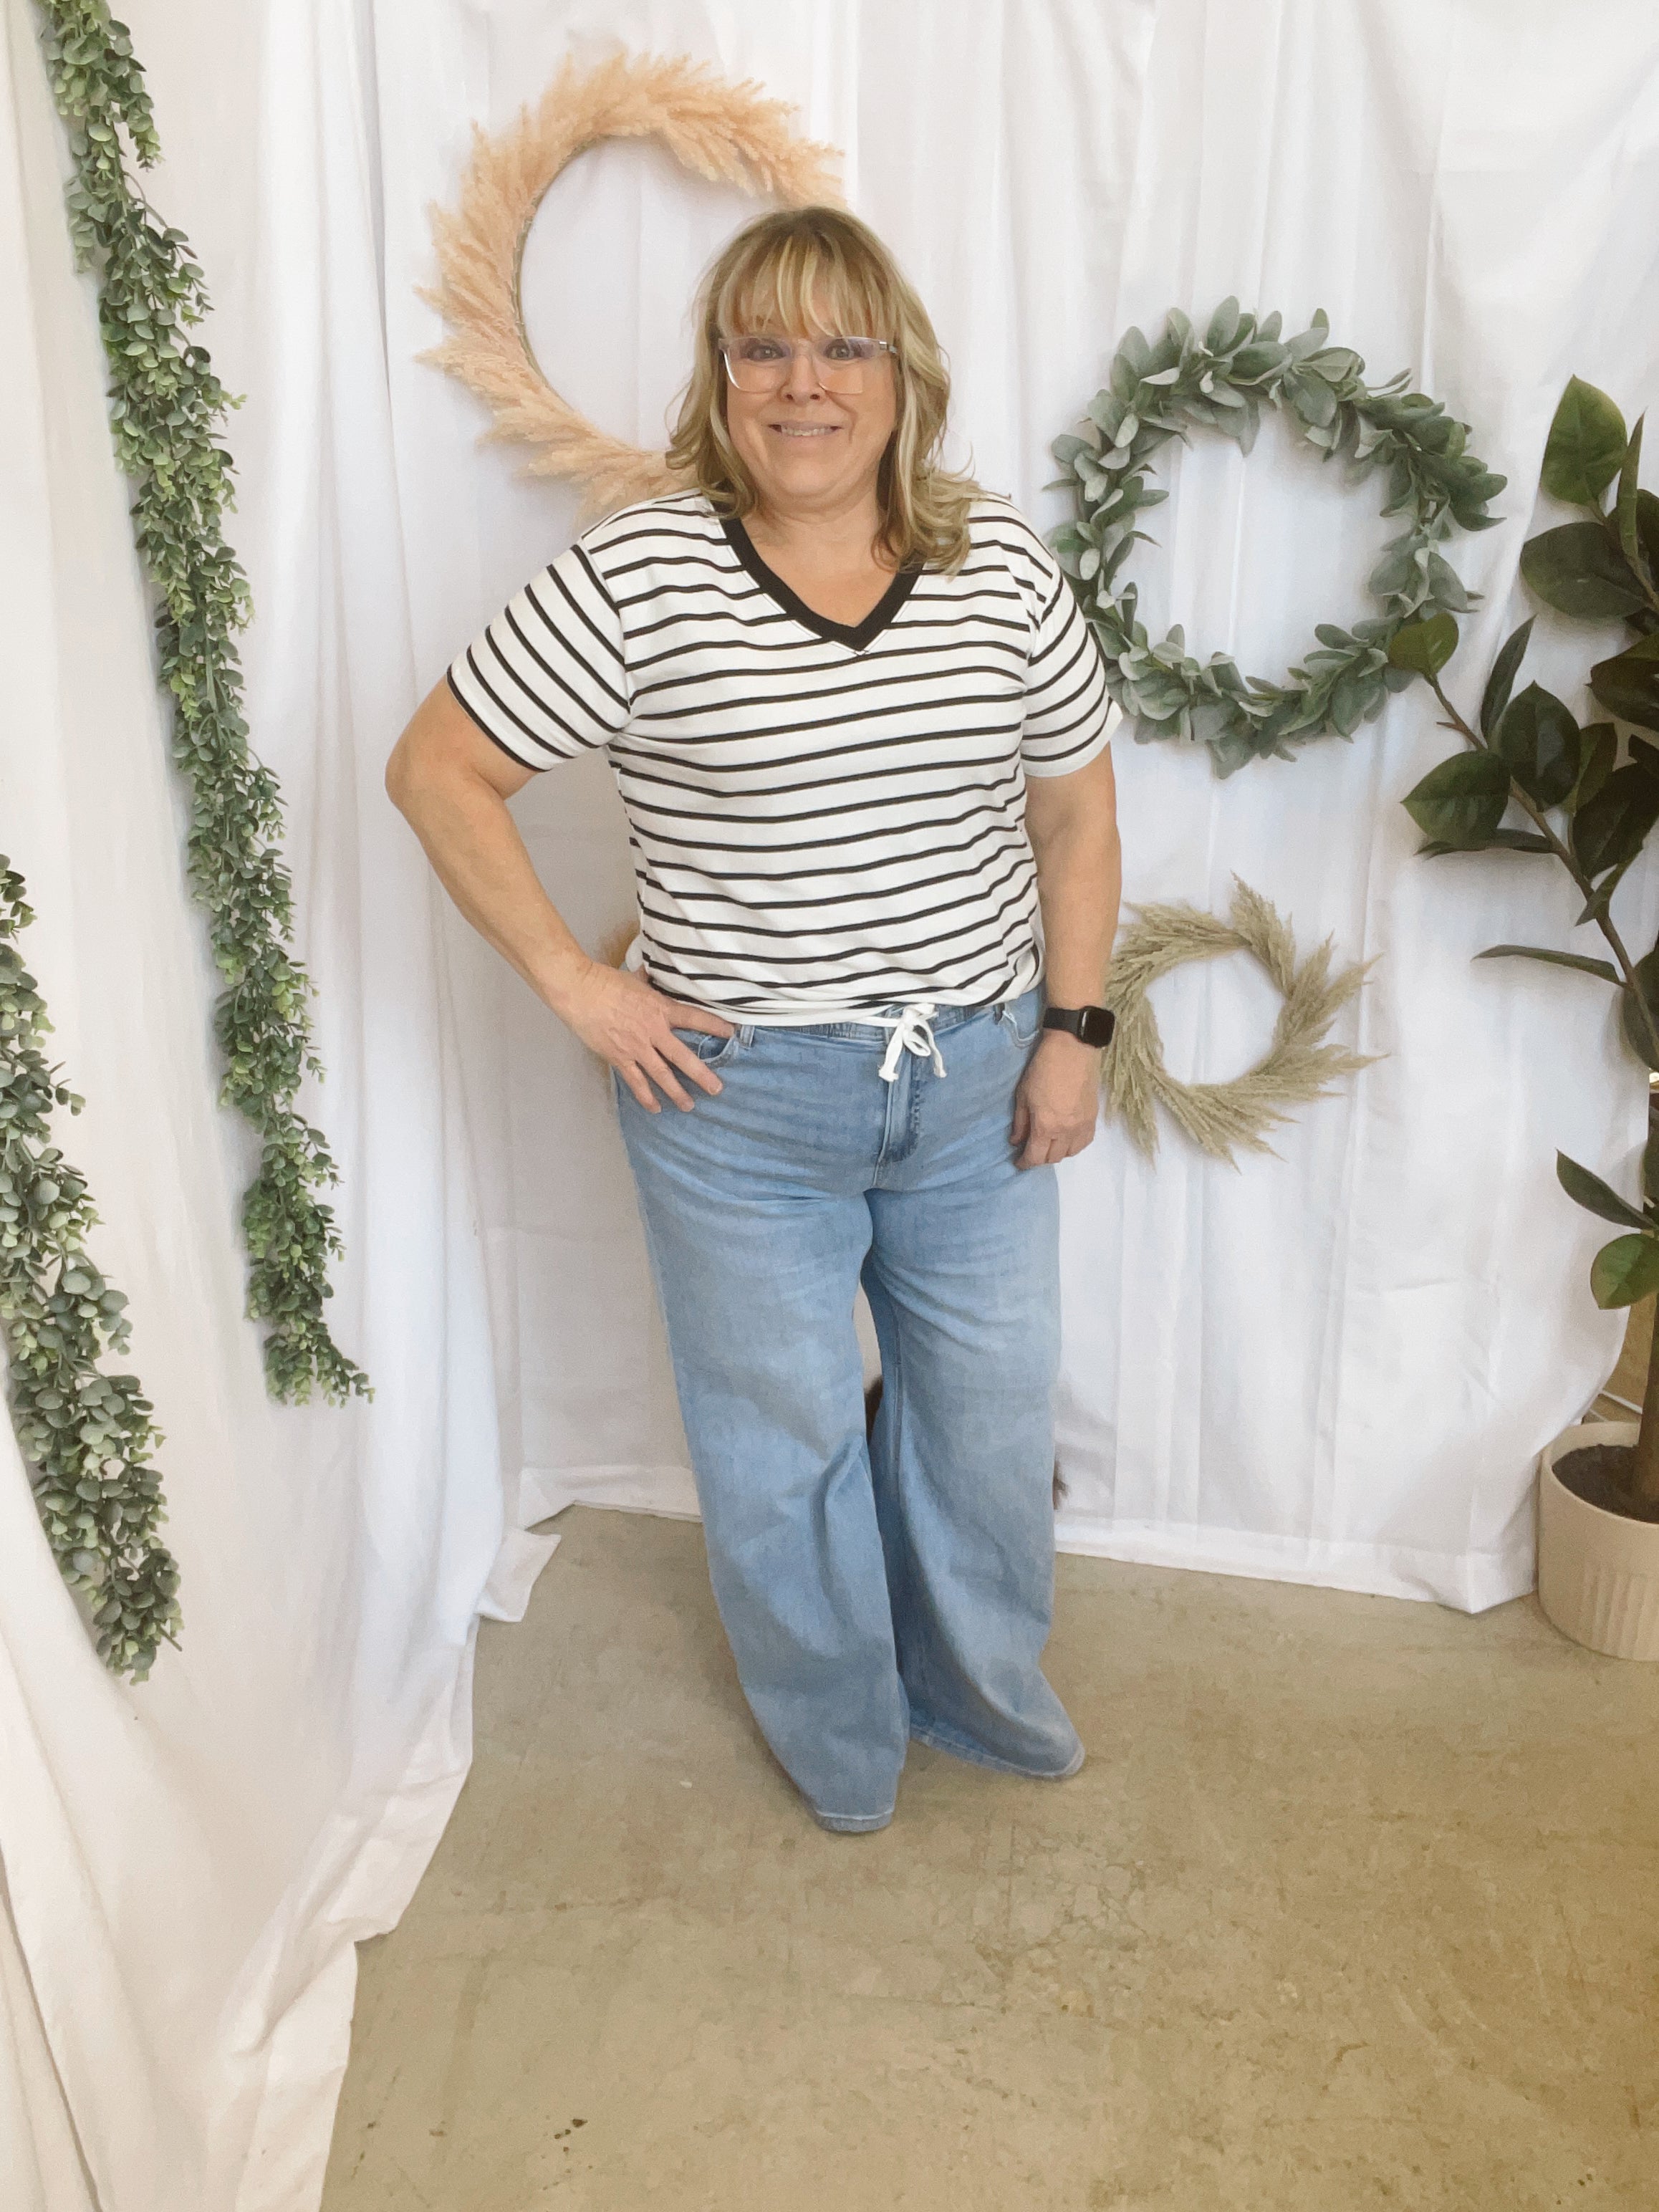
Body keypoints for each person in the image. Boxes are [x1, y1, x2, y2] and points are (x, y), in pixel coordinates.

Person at [387, 205, 1121, 1834]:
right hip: (737, 1106)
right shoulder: (643, 570)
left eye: (841, 343)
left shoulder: (997, 563)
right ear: (721, 379)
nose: (805, 382)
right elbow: (440, 768)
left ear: (899, 371)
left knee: (989, 1424)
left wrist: (1077, 1028)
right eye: (762, 345)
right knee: (783, 1446)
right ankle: (844, 1735)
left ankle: (984, 1693)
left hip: (982, 1079)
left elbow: (1075, 811)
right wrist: (584, 987)